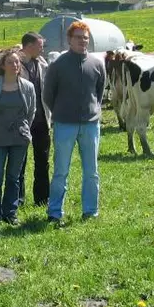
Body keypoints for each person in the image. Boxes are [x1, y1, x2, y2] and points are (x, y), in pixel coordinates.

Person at [43, 20, 106, 225]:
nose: (82, 41)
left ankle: (90, 211)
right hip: (65, 125)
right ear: (69, 40)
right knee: (61, 171)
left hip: (90, 125)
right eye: (78, 37)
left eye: (85, 38)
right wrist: (61, 112)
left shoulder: (97, 64)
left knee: (91, 171)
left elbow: (99, 92)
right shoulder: (58, 65)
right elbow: (48, 95)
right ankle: (55, 212)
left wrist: (93, 112)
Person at [0, 48, 36, 226]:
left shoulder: (28, 87)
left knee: (14, 177)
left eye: (17, 62)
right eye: (11, 62)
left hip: (19, 138)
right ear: (2, 66)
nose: (15, 65)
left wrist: (23, 129)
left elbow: (31, 112)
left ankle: (10, 213)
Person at [17, 32, 52, 206]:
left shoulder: (42, 64)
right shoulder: (14, 64)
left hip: (41, 120)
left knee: (43, 160)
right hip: (21, 121)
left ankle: (43, 198)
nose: (42, 49)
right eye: (40, 45)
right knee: (19, 162)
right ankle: (17, 200)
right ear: (29, 46)